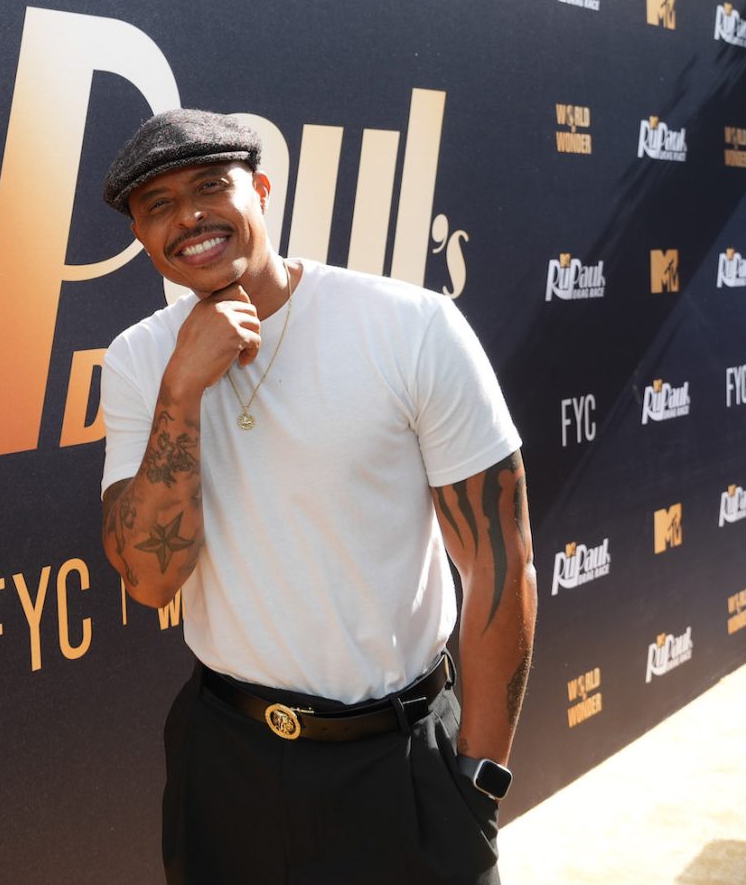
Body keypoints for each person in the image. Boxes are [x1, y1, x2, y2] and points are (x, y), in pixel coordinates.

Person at [97, 109, 537, 884]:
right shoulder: (140, 362)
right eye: (158, 206)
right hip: (226, 761)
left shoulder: (408, 327)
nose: (190, 217)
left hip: (400, 760)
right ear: (140, 236)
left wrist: (482, 777)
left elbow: (501, 564)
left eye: (210, 188)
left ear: (262, 190)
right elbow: (148, 579)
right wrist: (182, 387)